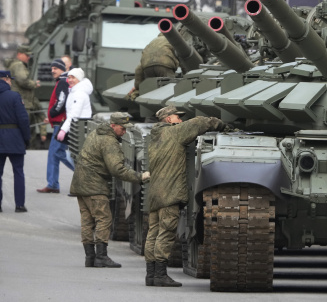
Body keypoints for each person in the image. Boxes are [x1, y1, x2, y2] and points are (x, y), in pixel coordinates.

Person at [144, 105, 229, 287]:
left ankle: (150, 274)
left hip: (155, 194)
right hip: (170, 193)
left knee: (153, 233)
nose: (180, 120)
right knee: (166, 233)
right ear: (168, 119)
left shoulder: (155, 137)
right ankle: (160, 275)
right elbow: (199, 122)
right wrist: (222, 125)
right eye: (177, 117)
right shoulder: (173, 133)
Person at [69, 112, 150, 268]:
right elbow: (117, 169)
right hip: (94, 185)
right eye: (122, 128)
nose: (124, 132)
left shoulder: (96, 132)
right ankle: (101, 256)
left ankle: (90, 257)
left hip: (80, 183)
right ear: (113, 126)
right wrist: (140, 176)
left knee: (87, 221)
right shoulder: (109, 142)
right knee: (103, 219)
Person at [37, 58, 74, 194]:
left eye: (55, 68)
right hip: (59, 123)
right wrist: (52, 118)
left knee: (57, 152)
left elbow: (61, 101)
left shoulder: (63, 82)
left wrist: (52, 114)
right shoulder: (62, 81)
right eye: (52, 68)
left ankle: (84, 175)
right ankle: (52, 184)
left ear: (62, 69)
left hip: (61, 124)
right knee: (54, 153)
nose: (53, 71)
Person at [0, 71, 30, 213]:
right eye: (10, 79)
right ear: (6, 79)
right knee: (18, 172)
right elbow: (23, 119)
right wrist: (26, 138)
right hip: (14, 138)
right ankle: (19, 205)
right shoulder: (14, 96)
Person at [4, 44, 41, 148]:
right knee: (24, 128)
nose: (28, 57)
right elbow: (22, 80)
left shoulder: (13, 65)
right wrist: (34, 84)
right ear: (19, 54)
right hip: (23, 102)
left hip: (18, 102)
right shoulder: (18, 65)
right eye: (26, 55)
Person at [126, 34, 179, 101]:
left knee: (150, 90)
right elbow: (182, 56)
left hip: (147, 67)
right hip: (164, 65)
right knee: (170, 88)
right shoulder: (173, 40)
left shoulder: (152, 42)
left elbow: (138, 69)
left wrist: (138, 87)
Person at [56, 68, 93, 144]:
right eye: (69, 77)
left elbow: (74, 115)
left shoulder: (79, 94)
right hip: (77, 129)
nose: (70, 80)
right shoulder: (74, 91)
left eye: (73, 77)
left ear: (79, 79)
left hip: (80, 130)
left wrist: (63, 130)